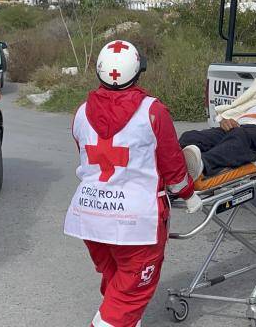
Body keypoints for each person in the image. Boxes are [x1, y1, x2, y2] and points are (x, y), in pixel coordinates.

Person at [64, 40, 202, 327]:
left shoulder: (80, 112)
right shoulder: (153, 112)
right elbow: (173, 167)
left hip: (90, 217)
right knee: (131, 291)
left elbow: (85, 153)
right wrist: (188, 194)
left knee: (115, 280)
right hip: (136, 222)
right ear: (139, 72)